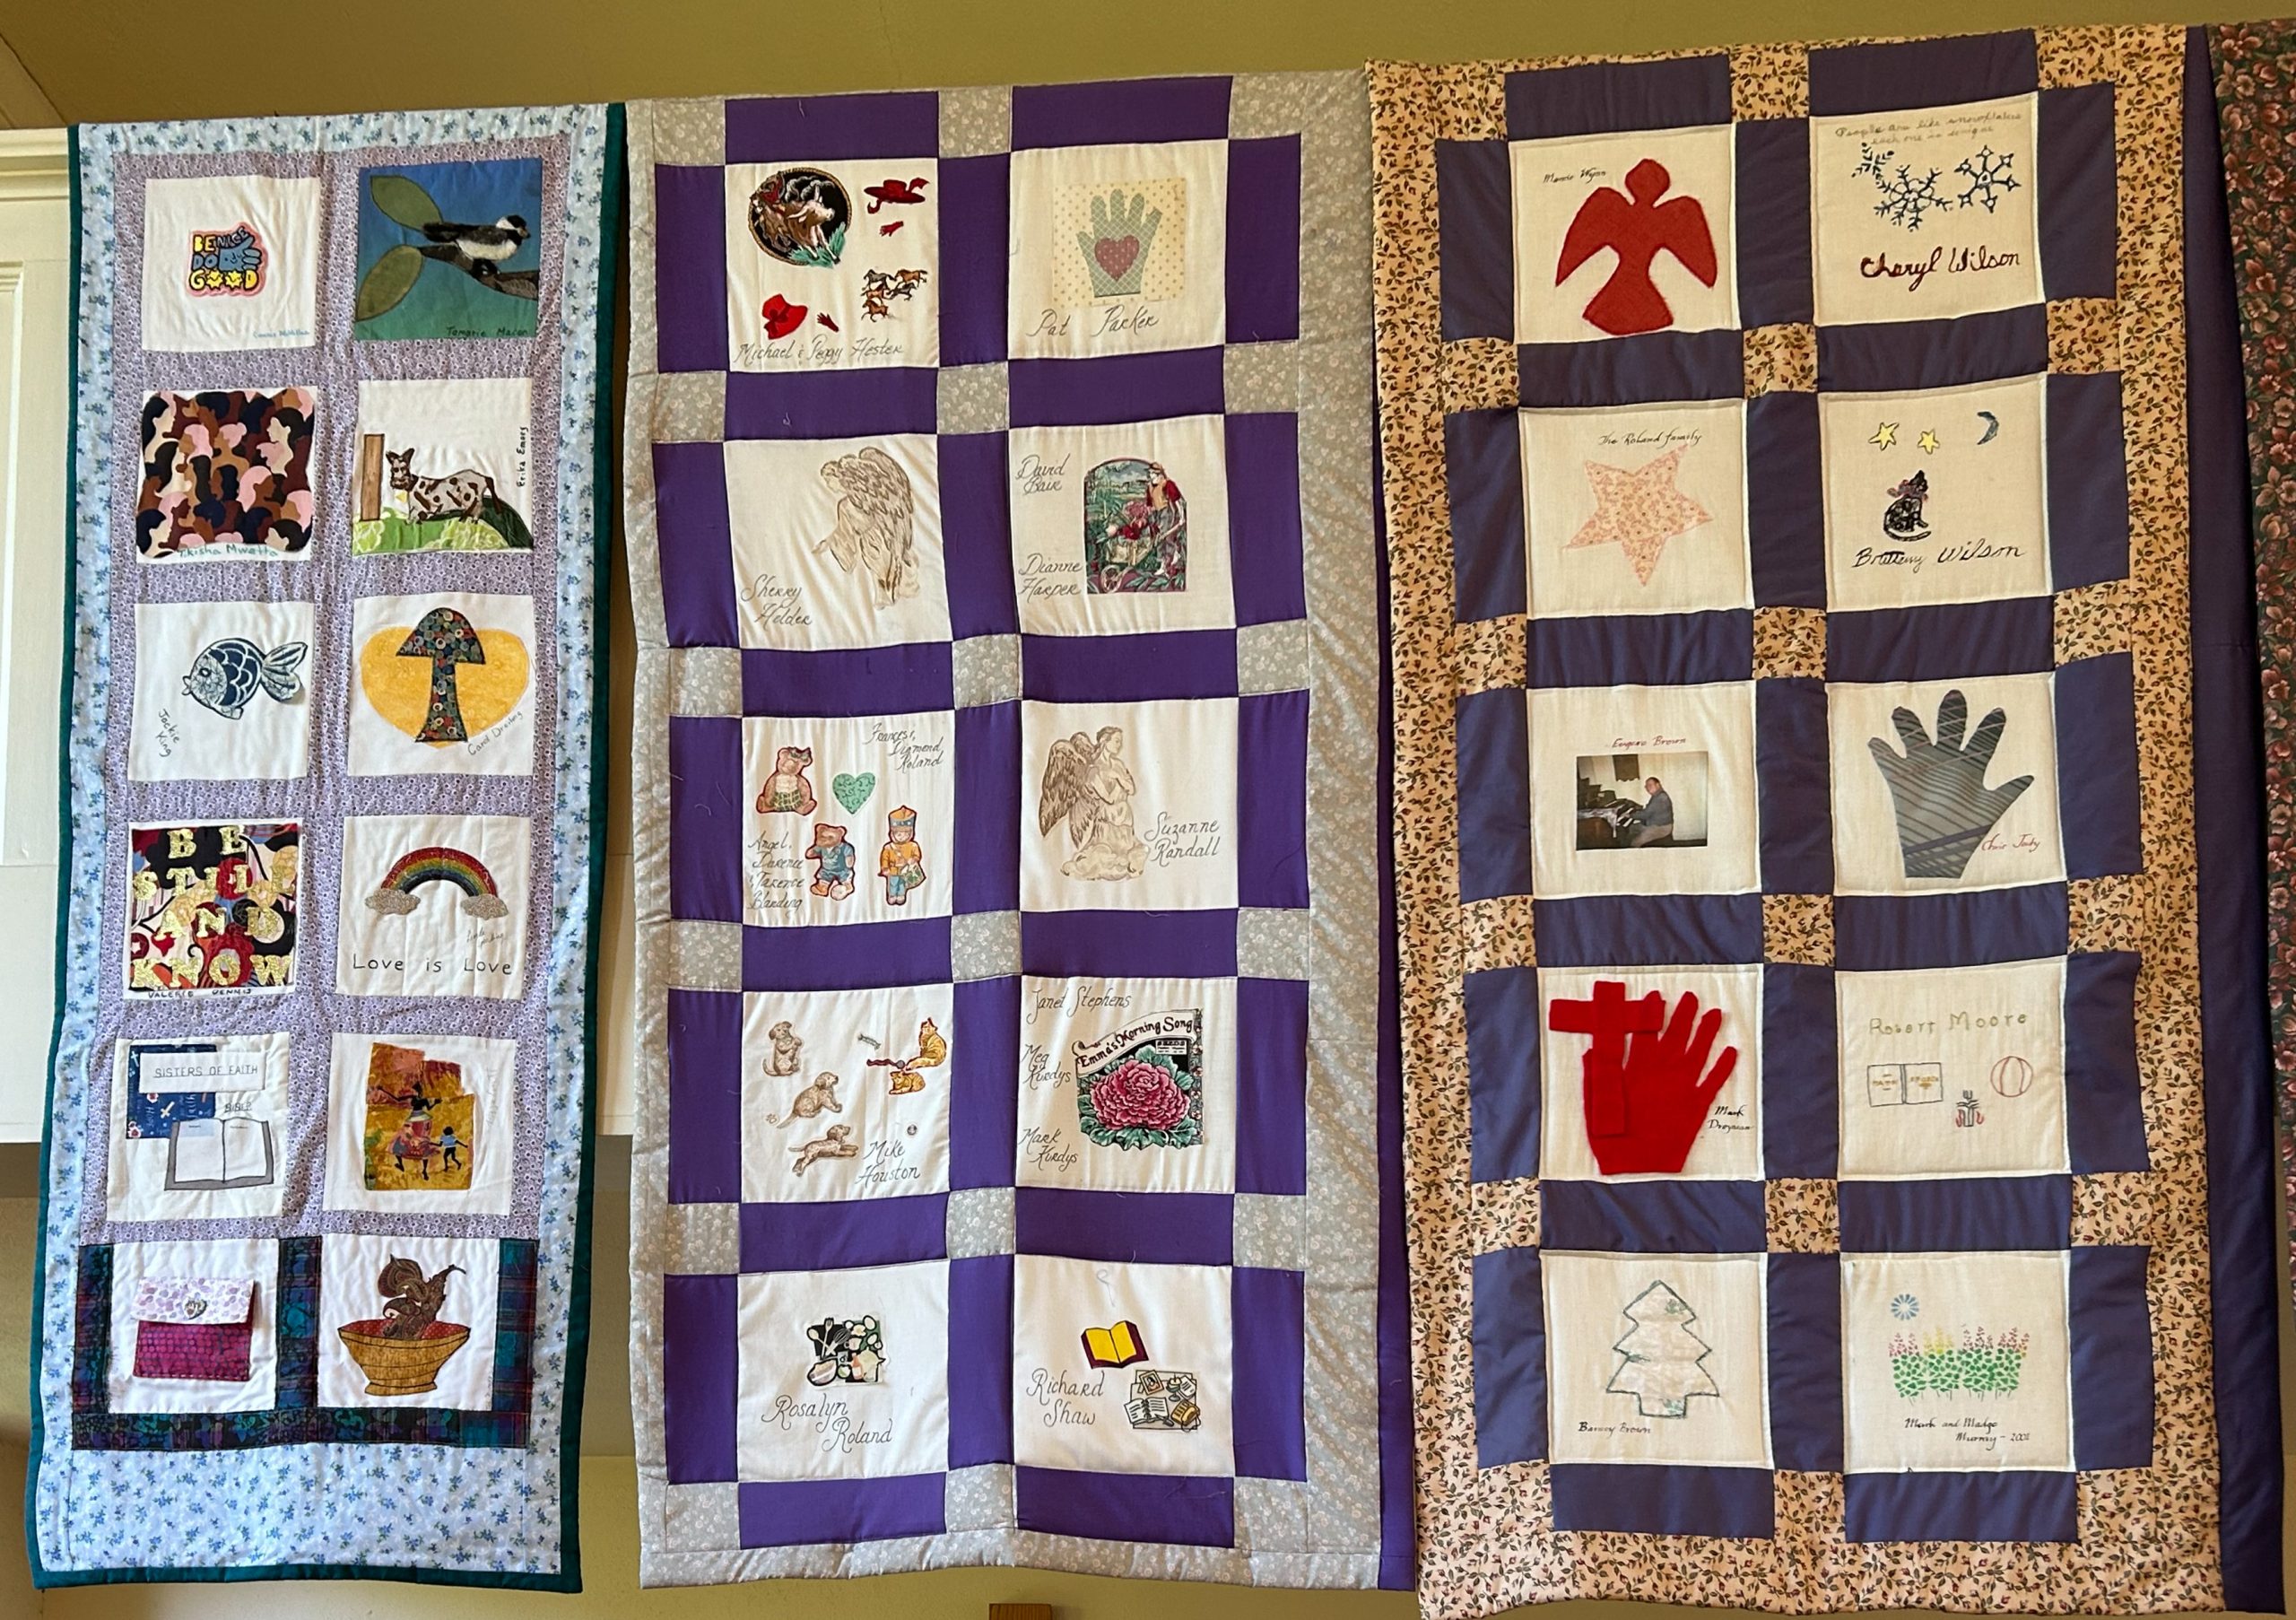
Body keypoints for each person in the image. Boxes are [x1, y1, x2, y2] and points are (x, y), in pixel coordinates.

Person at [1631, 776, 1674, 847]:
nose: (1647, 788)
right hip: (1655, 824)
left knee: (1635, 843)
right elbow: (1650, 810)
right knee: (1632, 828)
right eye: (1646, 786)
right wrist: (1637, 812)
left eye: (1650, 785)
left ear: (1658, 785)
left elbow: (1645, 815)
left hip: (1661, 828)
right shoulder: (1657, 795)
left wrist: (1630, 815)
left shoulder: (1661, 797)